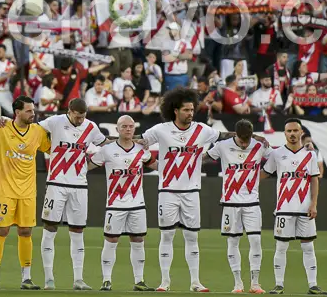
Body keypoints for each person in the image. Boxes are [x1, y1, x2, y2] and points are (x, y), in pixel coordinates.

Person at [139, 87, 237, 292]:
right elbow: (141, 144)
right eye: (186, 110)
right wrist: (151, 162)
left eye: (192, 109)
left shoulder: (202, 130)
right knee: (167, 236)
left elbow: (223, 136)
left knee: (192, 237)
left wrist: (245, 135)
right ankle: (164, 282)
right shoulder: (161, 129)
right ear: (175, 110)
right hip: (167, 191)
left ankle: (195, 282)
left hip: (192, 192)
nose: (190, 113)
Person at [36, 98, 106, 290]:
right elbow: (32, 130)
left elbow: (105, 144)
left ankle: (78, 279)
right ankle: (49, 278)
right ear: (70, 111)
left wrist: (126, 142)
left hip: (79, 185)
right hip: (56, 183)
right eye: (77, 117)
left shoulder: (91, 127)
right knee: (50, 228)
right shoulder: (55, 121)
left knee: (77, 231)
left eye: (83, 117)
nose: (81, 120)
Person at [0, 96, 51, 290]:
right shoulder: (1, 128)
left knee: (26, 231)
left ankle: (27, 278)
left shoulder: (38, 131)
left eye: (33, 110)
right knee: (2, 230)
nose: (33, 114)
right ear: (17, 113)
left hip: (28, 191)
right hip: (5, 189)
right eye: (29, 111)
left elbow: (50, 147)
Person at [88, 114, 154, 292]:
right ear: (117, 129)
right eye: (124, 126)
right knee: (111, 240)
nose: (128, 129)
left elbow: (154, 164)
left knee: (138, 239)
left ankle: (139, 281)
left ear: (134, 129)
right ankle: (107, 280)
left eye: (131, 126)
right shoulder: (107, 150)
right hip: (115, 203)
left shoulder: (142, 150)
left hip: (137, 203)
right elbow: (88, 166)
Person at [261, 118, 327, 295]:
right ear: (284, 133)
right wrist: (245, 172)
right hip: (283, 208)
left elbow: (314, 180)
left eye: (295, 131)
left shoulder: (310, 155)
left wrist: (314, 204)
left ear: (301, 133)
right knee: (281, 247)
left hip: (305, 209)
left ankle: (313, 285)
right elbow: (265, 174)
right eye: (288, 131)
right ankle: (279, 285)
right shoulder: (276, 154)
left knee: (308, 246)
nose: (292, 134)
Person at [206, 120, 270, 294]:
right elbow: (203, 158)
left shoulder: (259, 145)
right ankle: (237, 283)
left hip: (252, 202)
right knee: (232, 241)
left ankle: (255, 283)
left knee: (255, 241)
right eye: (242, 141)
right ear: (235, 135)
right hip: (230, 202)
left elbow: (278, 158)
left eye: (247, 140)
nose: (244, 144)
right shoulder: (223, 146)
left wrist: (263, 175)